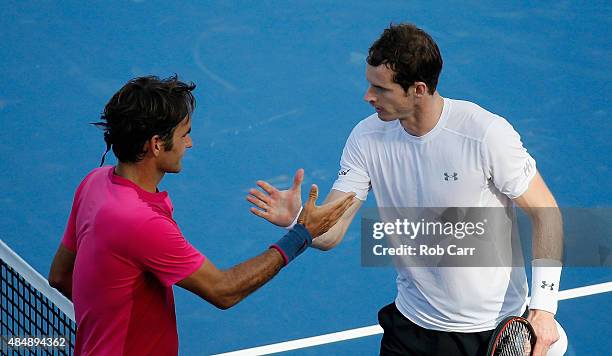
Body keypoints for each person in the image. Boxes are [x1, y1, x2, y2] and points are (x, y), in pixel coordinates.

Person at [247, 24, 567, 356]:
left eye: (380, 88)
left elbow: (547, 214)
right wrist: (299, 220)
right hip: (411, 327)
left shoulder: (485, 134)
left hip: (491, 332)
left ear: (417, 89)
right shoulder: (366, 138)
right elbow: (332, 233)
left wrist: (544, 307)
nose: (367, 97)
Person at [48, 75, 355, 355]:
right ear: (156, 145)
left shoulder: (95, 183)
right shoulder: (140, 222)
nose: (190, 143)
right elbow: (224, 290)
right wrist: (301, 234)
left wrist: (109, 324)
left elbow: (60, 276)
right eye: (185, 134)